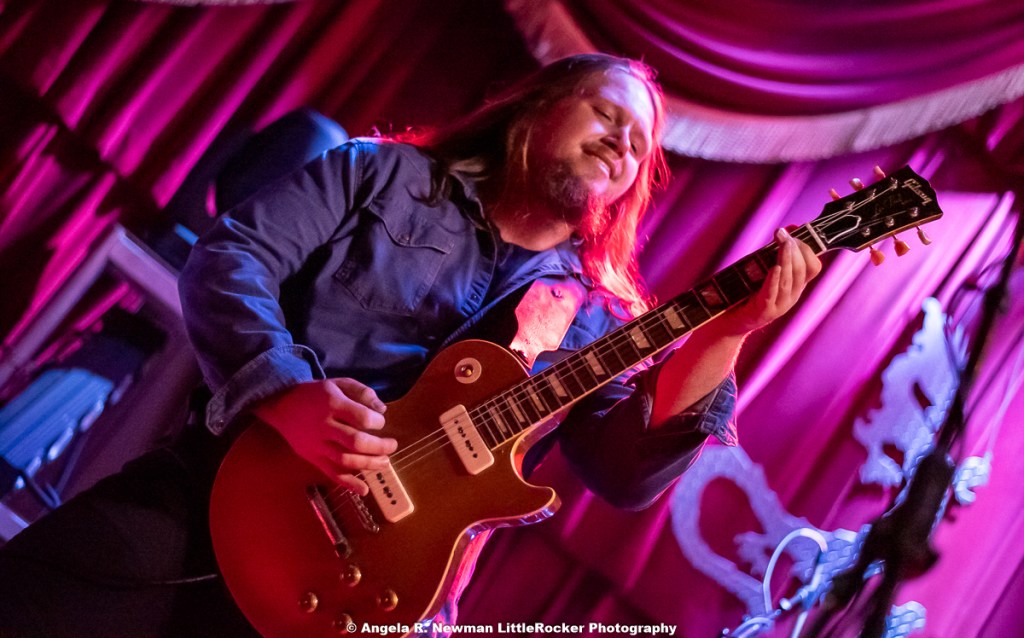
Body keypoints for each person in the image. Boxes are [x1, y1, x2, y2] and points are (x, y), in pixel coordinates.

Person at [0, 53, 821, 636]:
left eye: (640, 146)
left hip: (368, 595)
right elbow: (231, 259)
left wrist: (728, 331)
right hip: (212, 497)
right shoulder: (381, 175)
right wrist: (284, 391)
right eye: (607, 115)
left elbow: (624, 473)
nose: (623, 145)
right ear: (538, 108)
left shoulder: (598, 319)